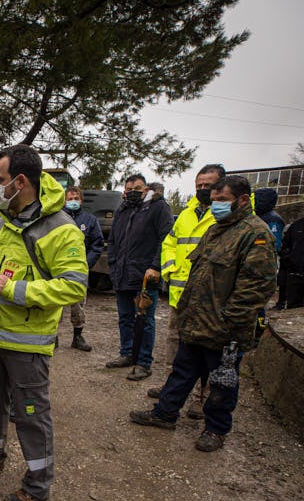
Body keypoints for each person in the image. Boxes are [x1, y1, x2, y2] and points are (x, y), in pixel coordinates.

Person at [0, 144, 87, 501]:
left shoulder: (62, 229)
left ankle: (38, 484)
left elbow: (74, 286)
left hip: (28, 345)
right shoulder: (4, 218)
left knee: (30, 414)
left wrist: (13, 290)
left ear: (20, 181)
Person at [129, 175, 277, 452]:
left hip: (224, 328)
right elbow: (198, 273)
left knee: (222, 382)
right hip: (197, 321)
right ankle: (165, 413)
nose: (216, 206)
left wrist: (228, 322)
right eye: (214, 201)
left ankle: (216, 429)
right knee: (182, 371)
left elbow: (256, 288)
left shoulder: (255, 234)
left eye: (222, 201)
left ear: (242, 200)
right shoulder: (216, 230)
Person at [152, 164, 225, 417]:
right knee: (176, 344)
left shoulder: (224, 216)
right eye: (199, 185)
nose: (204, 190)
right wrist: (170, 270)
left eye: (209, 185)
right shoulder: (185, 214)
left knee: (207, 351)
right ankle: (172, 389)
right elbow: (170, 242)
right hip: (180, 295)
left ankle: (199, 398)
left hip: (211, 300)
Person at [105, 173, 173, 381]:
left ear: (146, 189)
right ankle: (127, 353)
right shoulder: (122, 209)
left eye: (138, 188)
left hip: (145, 275)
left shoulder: (157, 207)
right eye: (129, 189)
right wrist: (113, 265)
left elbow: (166, 239)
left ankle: (144, 362)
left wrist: (155, 266)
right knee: (125, 317)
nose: (133, 192)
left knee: (145, 320)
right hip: (123, 274)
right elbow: (114, 240)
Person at [63, 186, 105, 351]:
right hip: (58, 268)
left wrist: (86, 263)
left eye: (76, 198)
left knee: (78, 304)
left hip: (79, 270)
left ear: (81, 200)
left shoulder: (90, 220)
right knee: (54, 304)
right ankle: (53, 337)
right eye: (70, 198)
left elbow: (97, 244)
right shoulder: (58, 218)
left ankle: (77, 336)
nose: (73, 201)